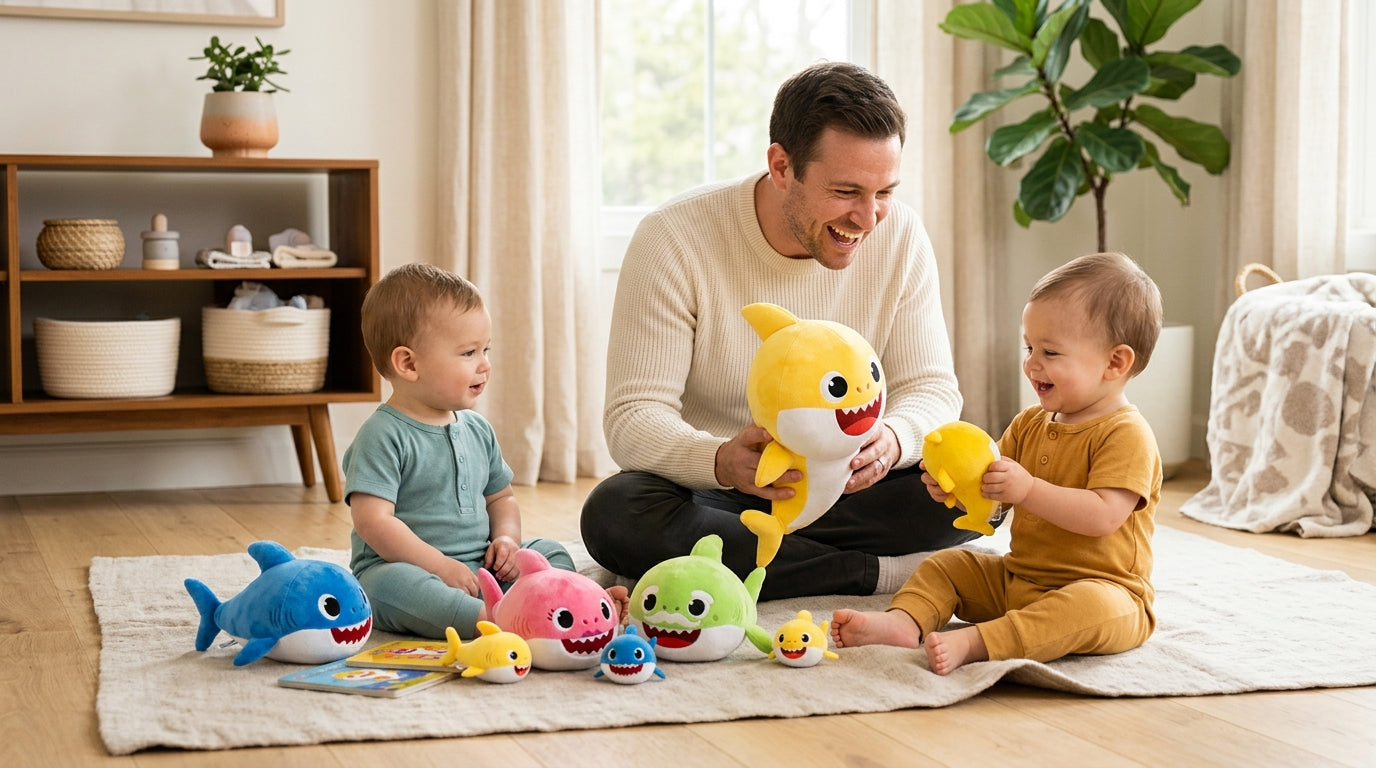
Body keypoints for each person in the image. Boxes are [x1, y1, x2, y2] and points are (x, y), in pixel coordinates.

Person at [580, 61, 988, 601]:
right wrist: (722, 461)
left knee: (976, 490)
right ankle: (872, 573)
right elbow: (633, 417)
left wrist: (893, 441)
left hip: (849, 486)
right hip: (724, 493)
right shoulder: (673, 238)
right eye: (846, 191)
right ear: (781, 166)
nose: (868, 218)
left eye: (884, 192)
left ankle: (733, 566)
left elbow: (932, 388)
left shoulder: (902, 237)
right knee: (615, 513)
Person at [830, 252, 1163, 675]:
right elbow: (993, 503)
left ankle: (979, 642)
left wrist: (1028, 489)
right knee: (948, 564)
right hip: (1019, 579)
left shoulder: (1126, 434)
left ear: (1115, 363)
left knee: (1089, 607)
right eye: (1029, 347)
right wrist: (958, 492)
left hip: (1107, 591)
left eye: (1050, 351)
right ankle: (904, 622)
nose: (1032, 363)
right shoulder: (1028, 423)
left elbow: (1103, 516)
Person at [344, 263, 579, 640]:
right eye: (469, 352)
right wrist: (439, 566)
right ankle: (509, 619)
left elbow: (501, 497)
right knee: (390, 586)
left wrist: (507, 540)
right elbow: (373, 522)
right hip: (409, 568)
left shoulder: (478, 429)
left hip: (480, 566)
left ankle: (552, 602)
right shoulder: (382, 435)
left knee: (548, 551)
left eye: (486, 349)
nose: (485, 364)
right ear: (408, 363)